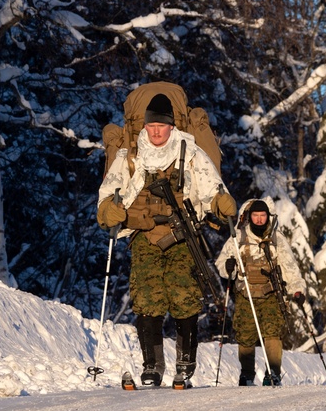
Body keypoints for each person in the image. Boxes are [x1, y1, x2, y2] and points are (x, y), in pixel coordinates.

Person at [97, 92, 236, 388]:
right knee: (147, 300)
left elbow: (210, 186)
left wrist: (220, 202)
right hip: (144, 236)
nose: (156, 131)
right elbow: (110, 190)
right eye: (151, 126)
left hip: (181, 235)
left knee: (184, 297)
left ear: (172, 126)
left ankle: (185, 364)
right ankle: (152, 366)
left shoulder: (190, 152)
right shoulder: (131, 157)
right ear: (145, 126)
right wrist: (108, 209)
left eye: (162, 125)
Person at [216, 198, 305, 386]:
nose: (258, 219)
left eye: (262, 216)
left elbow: (289, 267)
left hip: (271, 294)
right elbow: (221, 264)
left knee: (273, 333)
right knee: (245, 334)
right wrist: (228, 266)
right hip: (245, 294)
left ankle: (273, 372)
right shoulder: (238, 237)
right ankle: (247, 374)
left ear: (268, 216)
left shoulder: (276, 238)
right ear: (249, 216)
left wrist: (297, 289)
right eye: (255, 215)